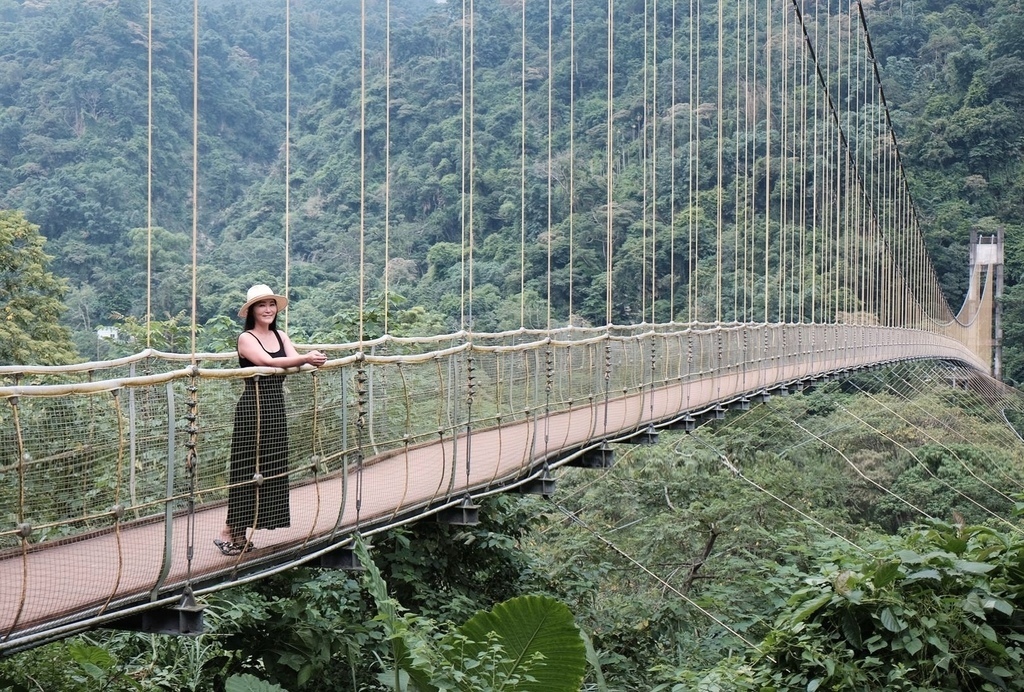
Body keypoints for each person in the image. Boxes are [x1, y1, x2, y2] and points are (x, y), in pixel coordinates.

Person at [214, 284, 328, 556]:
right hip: (252, 410)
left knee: (270, 467)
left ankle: (239, 533)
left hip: (275, 408)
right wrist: (306, 358)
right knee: (246, 468)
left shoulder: (281, 335)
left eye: (271, 304)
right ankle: (229, 531)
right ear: (251, 310)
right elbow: (269, 362)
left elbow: (292, 360)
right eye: (261, 305)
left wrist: (308, 359)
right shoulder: (247, 339)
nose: (267, 309)